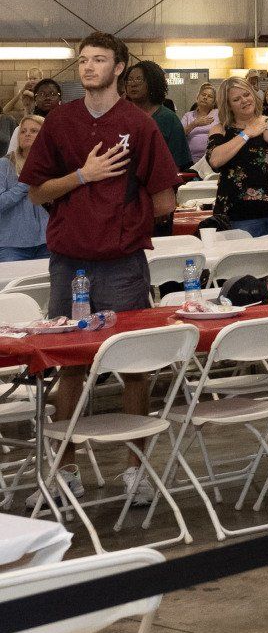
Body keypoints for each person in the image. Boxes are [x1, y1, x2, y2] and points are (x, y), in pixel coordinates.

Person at [22, 32, 181, 503]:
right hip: (68, 263)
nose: (89, 67)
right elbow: (36, 191)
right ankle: (65, 469)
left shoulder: (140, 124)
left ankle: (136, 471)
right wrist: (82, 179)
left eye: (99, 60)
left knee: (134, 366)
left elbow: (164, 198)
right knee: (67, 366)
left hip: (123, 264)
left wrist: (117, 223)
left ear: (119, 68)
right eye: (83, 60)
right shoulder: (59, 122)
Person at [205, 76, 268, 236]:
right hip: (238, 213)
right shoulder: (220, 129)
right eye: (236, 99)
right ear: (228, 105)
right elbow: (215, 160)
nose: (244, 100)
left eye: (246, 95)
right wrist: (247, 133)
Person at [124, 62, 192, 172]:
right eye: (130, 80)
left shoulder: (169, 119)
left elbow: (177, 163)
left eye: (139, 79)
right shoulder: (121, 117)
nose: (133, 84)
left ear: (152, 83)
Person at [0, 114, 49, 261]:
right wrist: (26, 183)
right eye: (23, 131)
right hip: (12, 245)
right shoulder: (5, 164)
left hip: (47, 242)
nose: (27, 134)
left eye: (34, 131)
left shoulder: (52, 164)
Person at [183, 82, 220, 165]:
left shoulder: (219, 114)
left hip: (213, 158)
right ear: (197, 97)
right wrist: (194, 124)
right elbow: (179, 135)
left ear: (214, 102)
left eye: (210, 96)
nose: (205, 97)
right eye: (203, 94)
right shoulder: (188, 116)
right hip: (192, 160)